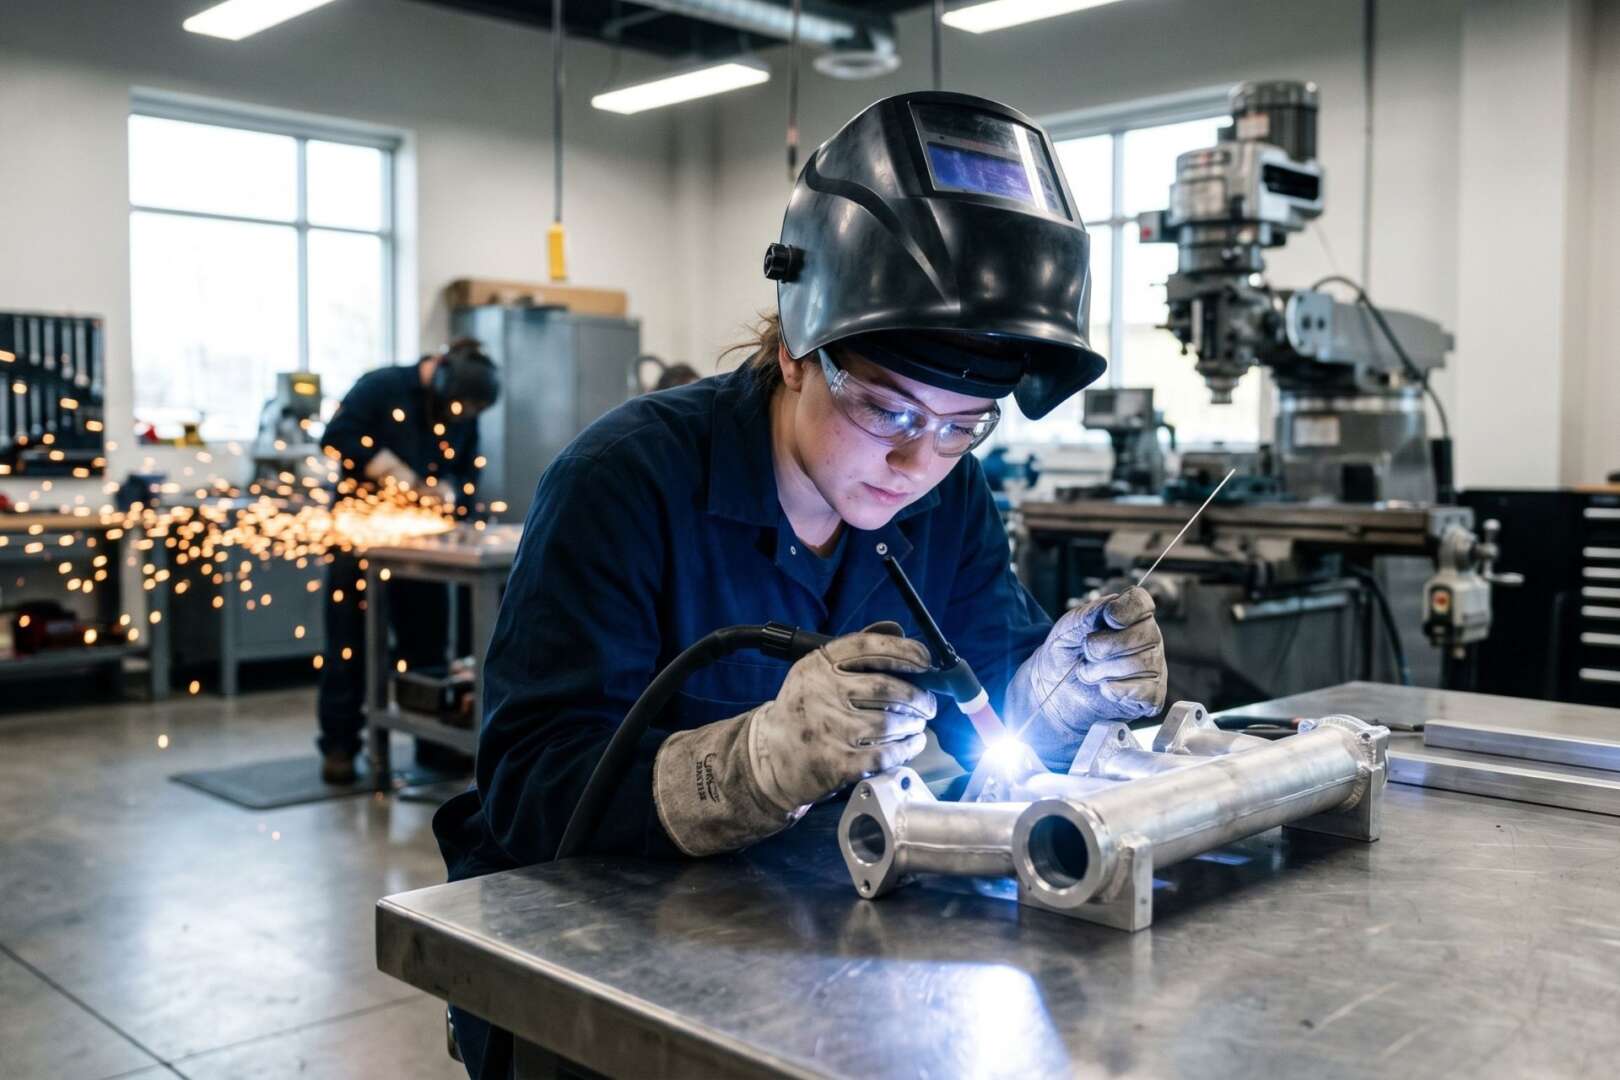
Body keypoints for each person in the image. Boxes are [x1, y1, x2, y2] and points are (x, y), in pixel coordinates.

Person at [432, 92, 1166, 1078]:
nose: (921, 464)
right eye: (891, 411)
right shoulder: (624, 484)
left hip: (804, 942)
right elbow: (530, 791)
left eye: (963, 426)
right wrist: (753, 763)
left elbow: (985, 714)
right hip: (586, 970)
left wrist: (1062, 690)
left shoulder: (949, 504)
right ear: (794, 348)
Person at [315, 338, 500, 783]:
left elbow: (468, 473)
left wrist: (454, 497)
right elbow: (335, 439)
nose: (459, 418)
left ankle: (434, 742)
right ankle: (340, 746)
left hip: (424, 549)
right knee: (349, 647)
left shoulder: (462, 409)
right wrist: (396, 473)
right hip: (359, 542)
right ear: (438, 374)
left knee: (427, 647)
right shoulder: (380, 387)